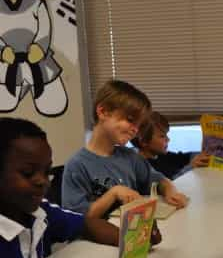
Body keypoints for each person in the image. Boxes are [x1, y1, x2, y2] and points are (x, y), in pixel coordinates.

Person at [0, 117, 161, 258]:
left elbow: (87, 224)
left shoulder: (41, 212)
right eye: (28, 173)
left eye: (47, 172)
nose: (42, 181)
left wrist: (133, 238)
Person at [62, 80, 188, 218]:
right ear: (103, 112)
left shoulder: (130, 157)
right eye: (129, 120)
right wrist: (113, 193)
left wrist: (170, 190)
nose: (135, 129)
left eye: (138, 125)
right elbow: (75, 218)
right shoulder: (77, 165)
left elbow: (159, 180)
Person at [0, 0, 68, 116]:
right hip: (7, 62)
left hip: (37, 59)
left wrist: (39, 47)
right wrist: (2, 51)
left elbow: (45, 29)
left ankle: (39, 87)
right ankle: (16, 89)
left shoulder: (37, 3)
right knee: (5, 103)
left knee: (54, 105)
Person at [131, 111, 209, 180]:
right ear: (144, 141)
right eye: (162, 136)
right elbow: (169, 184)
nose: (168, 139)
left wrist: (209, 152)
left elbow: (188, 157)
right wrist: (191, 166)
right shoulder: (141, 167)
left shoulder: (162, 156)